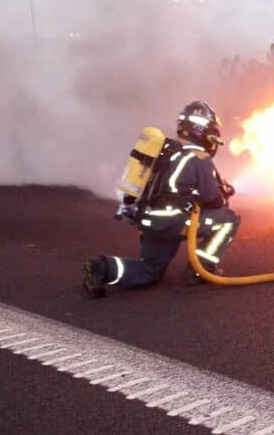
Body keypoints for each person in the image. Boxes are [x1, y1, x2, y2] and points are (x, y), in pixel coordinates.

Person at [83, 101, 240, 297]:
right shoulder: (198, 157)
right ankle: (201, 270)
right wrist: (222, 192)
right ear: (206, 131)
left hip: (150, 220)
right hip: (172, 221)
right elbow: (212, 199)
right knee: (229, 220)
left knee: (149, 271)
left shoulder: (165, 150)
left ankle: (103, 268)